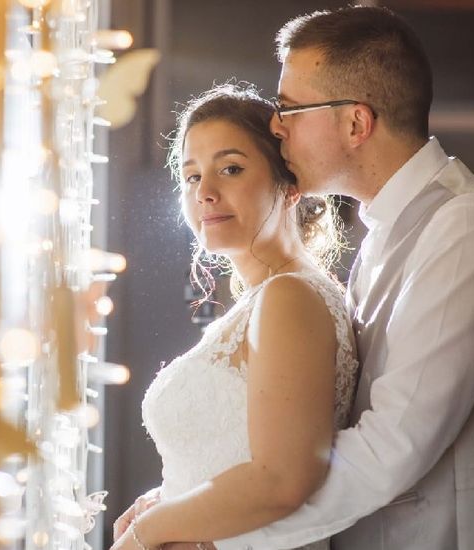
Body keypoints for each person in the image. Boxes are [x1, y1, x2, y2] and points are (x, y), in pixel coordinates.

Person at [210, 6, 474, 550]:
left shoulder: (467, 228)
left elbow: (394, 445)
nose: (276, 125)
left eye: (291, 108)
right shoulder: (388, 233)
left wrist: (224, 534)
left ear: (356, 123)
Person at [109, 82, 360, 550]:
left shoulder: (291, 297)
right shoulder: (267, 299)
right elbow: (234, 454)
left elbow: (282, 479)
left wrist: (149, 533)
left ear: (289, 185)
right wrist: (168, 500)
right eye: (190, 176)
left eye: (230, 169)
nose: (205, 191)